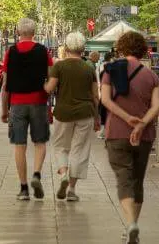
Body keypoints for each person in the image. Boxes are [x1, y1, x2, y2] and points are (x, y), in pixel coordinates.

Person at [101, 31, 159, 244]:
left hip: (117, 132)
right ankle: (132, 224)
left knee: (123, 179)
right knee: (137, 180)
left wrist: (128, 119)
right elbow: (157, 106)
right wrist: (142, 123)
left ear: (121, 48)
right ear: (142, 50)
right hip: (144, 136)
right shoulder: (151, 76)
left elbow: (105, 100)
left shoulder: (110, 70)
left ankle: (130, 224)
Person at [0, 18, 53, 201]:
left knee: (19, 145)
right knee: (40, 142)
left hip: (17, 102)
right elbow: (50, 76)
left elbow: (6, 82)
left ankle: (23, 188)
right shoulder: (43, 51)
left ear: (18, 32)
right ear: (34, 32)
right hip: (38, 100)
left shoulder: (10, 52)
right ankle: (36, 174)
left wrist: (4, 109)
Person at [44, 32, 99, 202]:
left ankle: (63, 176)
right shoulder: (89, 68)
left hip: (63, 112)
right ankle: (72, 190)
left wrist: (44, 84)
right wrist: (97, 117)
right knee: (79, 150)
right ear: (83, 49)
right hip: (85, 113)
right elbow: (95, 95)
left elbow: (49, 89)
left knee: (61, 146)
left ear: (66, 48)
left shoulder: (59, 67)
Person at [97, 51, 114, 139]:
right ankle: (104, 132)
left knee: (103, 113)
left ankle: (104, 131)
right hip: (107, 93)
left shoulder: (102, 67)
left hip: (103, 92)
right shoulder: (109, 69)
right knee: (105, 113)